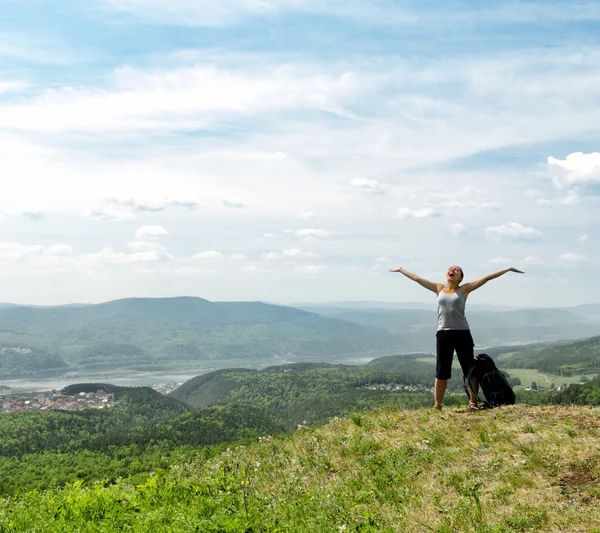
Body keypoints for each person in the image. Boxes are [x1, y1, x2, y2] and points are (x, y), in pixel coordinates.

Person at [389, 265, 524, 411]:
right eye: (450, 269)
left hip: (462, 333)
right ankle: (437, 405)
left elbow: (486, 278)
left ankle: (473, 403)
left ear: (460, 277)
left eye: (456, 270)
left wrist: (507, 269)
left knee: (470, 369)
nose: (452, 271)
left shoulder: (464, 289)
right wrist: (401, 270)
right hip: (443, 333)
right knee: (441, 371)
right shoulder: (438, 288)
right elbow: (418, 279)